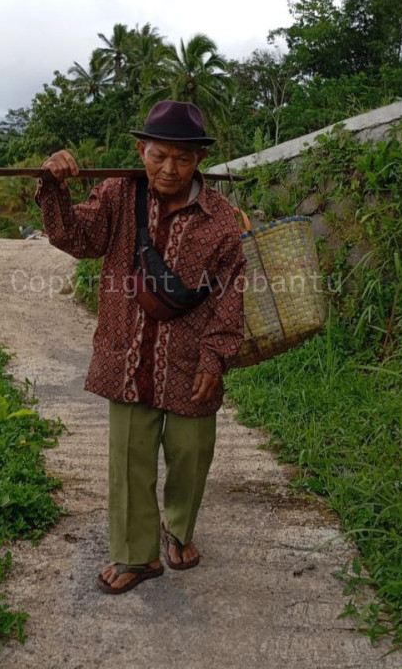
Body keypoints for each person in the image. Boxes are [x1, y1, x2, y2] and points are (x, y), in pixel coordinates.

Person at [36, 100, 246, 594]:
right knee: (128, 458)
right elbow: (74, 237)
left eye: (183, 158)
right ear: (141, 150)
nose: (169, 169)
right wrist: (53, 186)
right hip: (125, 352)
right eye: (158, 156)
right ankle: (137, 556)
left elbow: (230, 290)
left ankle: (179, 530)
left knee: (191, 453)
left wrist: (216, 357)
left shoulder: (219, 218)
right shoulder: (117, 194)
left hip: (191, 357)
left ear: (198, 160)